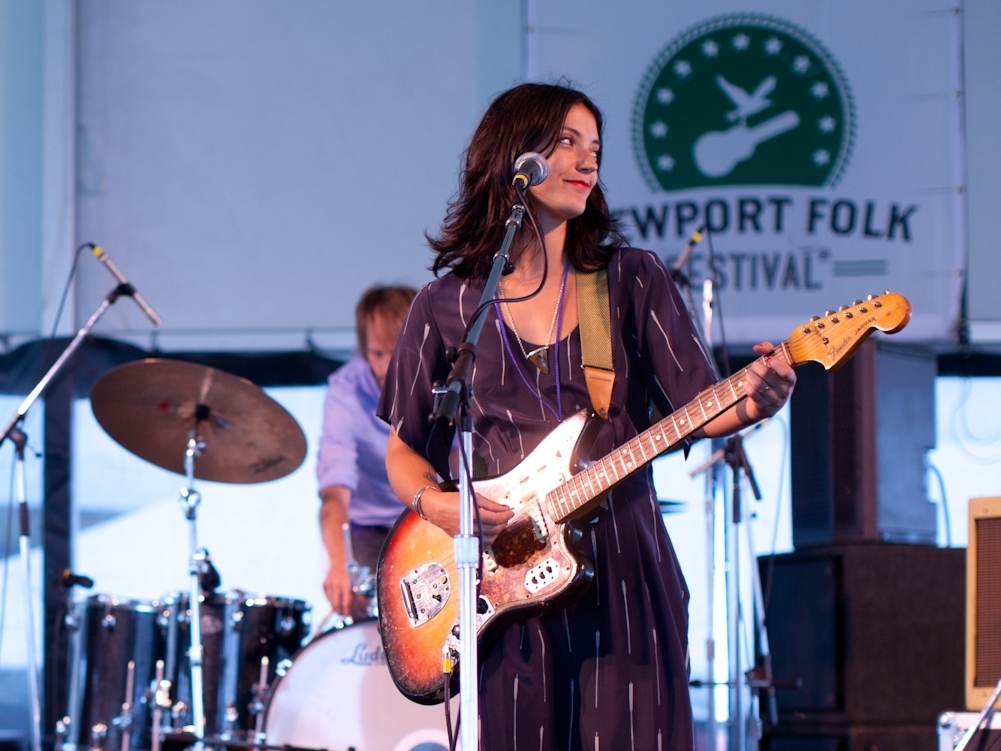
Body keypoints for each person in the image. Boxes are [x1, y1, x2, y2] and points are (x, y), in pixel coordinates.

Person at [378, 83, 795, 750]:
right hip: (503, 586)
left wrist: (760, 397)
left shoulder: (632, 280)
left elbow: (705, 407)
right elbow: (403, 450)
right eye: (565, 142)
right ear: (512, 156)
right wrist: (433, 504)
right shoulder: (446, 305)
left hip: (626, 579)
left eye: (594, 147)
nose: (585, 160)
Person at [316, 284, 416, 617]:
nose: (387, 366)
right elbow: (334, 494)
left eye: (396, 350)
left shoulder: (447, 382)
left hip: (428, 520)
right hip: (365, 532)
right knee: (359, 619)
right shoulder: (345, 391)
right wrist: (338, 565)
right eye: (376, 354)